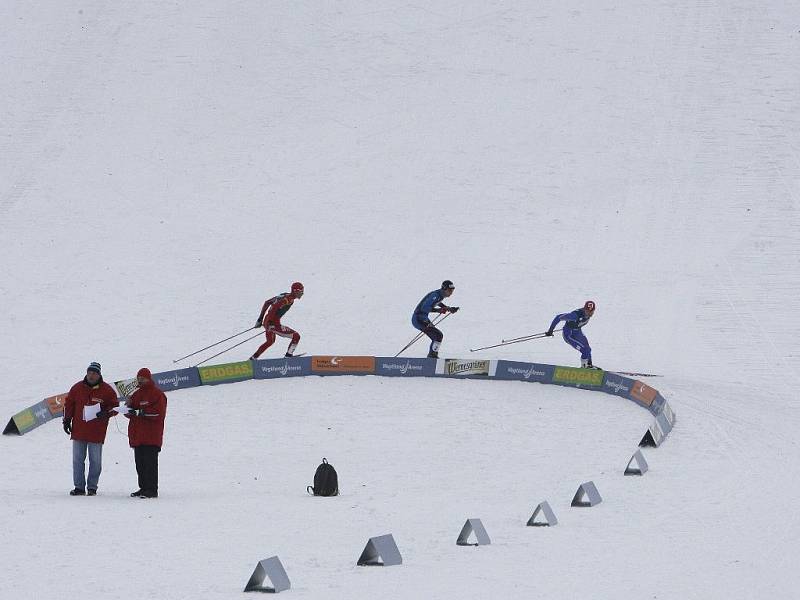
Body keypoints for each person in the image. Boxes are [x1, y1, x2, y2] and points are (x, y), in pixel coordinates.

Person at [62, 362, 119, 496]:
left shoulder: (107, 390)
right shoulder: (77, 388)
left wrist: (106, 412)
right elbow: (69, 404)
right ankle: (79, 487)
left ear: (99, 374)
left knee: (96, 461)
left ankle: (92, 487)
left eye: (94, 373)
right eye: (90, 372)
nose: (91, 375)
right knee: (77, 460)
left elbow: (115, 407)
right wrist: (66, 420)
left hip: (96, 432)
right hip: (79, 431)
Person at [124, 368, 167, 499]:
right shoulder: (136, 394)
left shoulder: (157, 394)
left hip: (151, 436)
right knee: (140, 464)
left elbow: (158, 413)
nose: (140, 381)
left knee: (150, 464)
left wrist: (140, 412)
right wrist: (128, 407)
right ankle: (143, 488)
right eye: (139, 378)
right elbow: (130, 412)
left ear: (149, 378)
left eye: (143, 378)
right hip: (138, 436)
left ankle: (152, 490)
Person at [249, 282, 304, 359]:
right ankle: (288, 357)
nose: (302, 293)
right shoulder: (289, 299)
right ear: (295, 291)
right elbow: (275, 307)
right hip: (273, 323)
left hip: (267, 321)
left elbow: (267, 302)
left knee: (270, 342)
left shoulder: (284, 295)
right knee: (296, 336)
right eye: (301, 291)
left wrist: (260, 319)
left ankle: (253, 358)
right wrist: (271, 323)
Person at [412, 280, 460, 358]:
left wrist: (449, 308)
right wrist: (438, 310)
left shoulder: (440, 295)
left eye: (452, 290)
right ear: (444, 289)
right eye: (449, 290)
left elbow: (437, 303)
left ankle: (432, 355)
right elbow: (424, 308)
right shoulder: (435, 295)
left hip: (422, 318)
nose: (451, 292)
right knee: (438, 335)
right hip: (418, 319)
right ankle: (432, 356)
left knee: (437, 336)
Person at [546, 300, 598, 368]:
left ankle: (589, 365)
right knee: (585, 350)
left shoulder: (588, 314)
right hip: (569, 335)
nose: (589, 313)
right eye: (587, 311)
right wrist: (550, 330)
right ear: (584, 309)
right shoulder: (575, 315)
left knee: (588, 349)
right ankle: (584, 367)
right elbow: (558, 317)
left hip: (577, 332)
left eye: (591, 311)